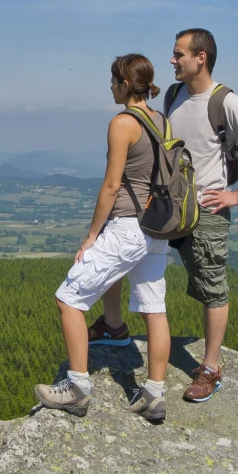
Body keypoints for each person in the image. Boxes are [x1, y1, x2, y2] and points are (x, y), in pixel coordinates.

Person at [101, 27, 238, 403]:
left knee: (211, 286)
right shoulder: (174, 93)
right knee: (118, 253)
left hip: (205, 210)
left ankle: (210, 369)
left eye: (179, 53)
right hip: (166, 204)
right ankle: (113, 325)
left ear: (201, 58)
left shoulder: (225, 101)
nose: (172, 60)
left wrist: (237, 194)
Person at [34, 54, 172, 422]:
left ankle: (77, 389)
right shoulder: (160, 120)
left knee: (68, 299)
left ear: (126, 84)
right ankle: (154, 393)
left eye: (113, 81)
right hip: (156, 230)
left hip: (127, 226)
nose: (110, 87)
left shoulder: (123, 123)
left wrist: (92, 235)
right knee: (154, 308)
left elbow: (112, 186)